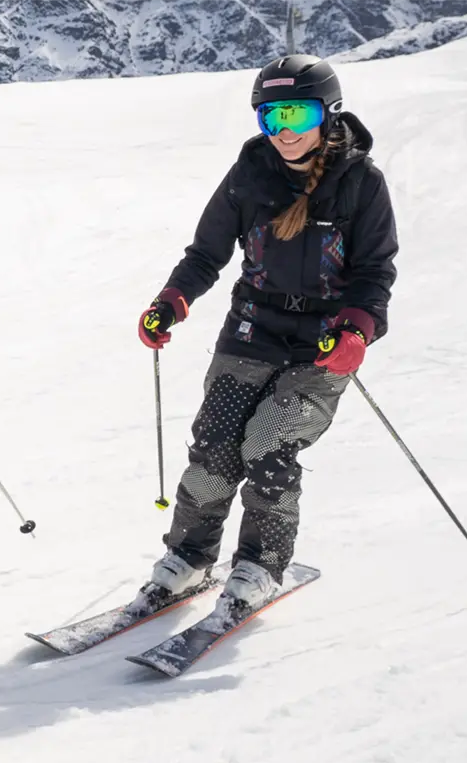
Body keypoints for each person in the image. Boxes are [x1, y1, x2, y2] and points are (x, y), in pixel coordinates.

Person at [138, 54, 398, 610]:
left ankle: (259, 565)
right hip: (253, 328)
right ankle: (187, 555)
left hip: (322, 342)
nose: (284, 131)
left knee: (268, 445)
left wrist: (357, 328)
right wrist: (172, 301)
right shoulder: (250, 173)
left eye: (297, 115)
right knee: (215, 445)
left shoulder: (361, 184)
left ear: (328, 115)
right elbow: (207, 252)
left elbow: (375, 272)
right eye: (270, 116)